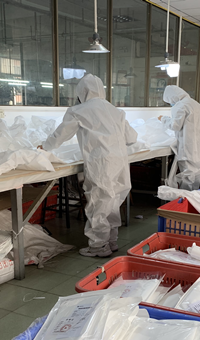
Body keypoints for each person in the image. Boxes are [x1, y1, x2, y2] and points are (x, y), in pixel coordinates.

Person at [40, 74, 138, 258]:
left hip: (101, 163)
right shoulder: (115, 111)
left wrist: (45, 146)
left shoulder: (79, 110)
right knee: (113, 202)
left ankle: (99, 246)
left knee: (98, 203)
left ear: (82, 92)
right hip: (120, 162)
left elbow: (61, 134)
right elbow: (132, 138)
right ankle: (111, 241)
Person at [159, 85, 200, 191]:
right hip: (197, 145)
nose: (171, 103)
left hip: (187, 146)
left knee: (188, 175)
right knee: (196, 172)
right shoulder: (197, 105)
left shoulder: (181, 106)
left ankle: (186, 197)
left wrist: (164, 119)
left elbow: (175, 125)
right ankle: (194, 195)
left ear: (172, 97)